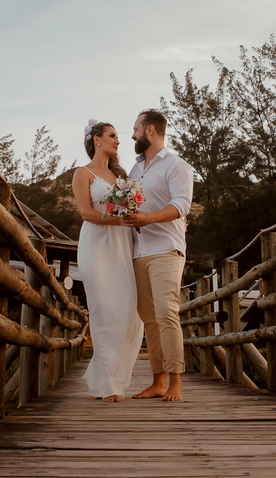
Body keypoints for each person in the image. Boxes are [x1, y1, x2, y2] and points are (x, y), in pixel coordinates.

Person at [71, 119, 145, 402]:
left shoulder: (122, 176)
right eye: (113, 136)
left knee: (128, 314)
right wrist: (116, 219)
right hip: (97, 245)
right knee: (103, 309)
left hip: (123, 247)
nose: (118, 141)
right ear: (97, 140)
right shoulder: (83, 173)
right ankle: (108, 383)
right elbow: (86, 213)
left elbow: (138, 209)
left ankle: (108, 372)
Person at [124, 109, 194, 402]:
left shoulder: (176, 165)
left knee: (167, 313)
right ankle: (158, 382)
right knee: (149, 319)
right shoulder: (135, 170)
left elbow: (182, 205)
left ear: (150, 130)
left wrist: (148, 218)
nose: (133, 135)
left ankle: (176, 383)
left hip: (167, 249)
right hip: (139, 251)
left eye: (136, 129)